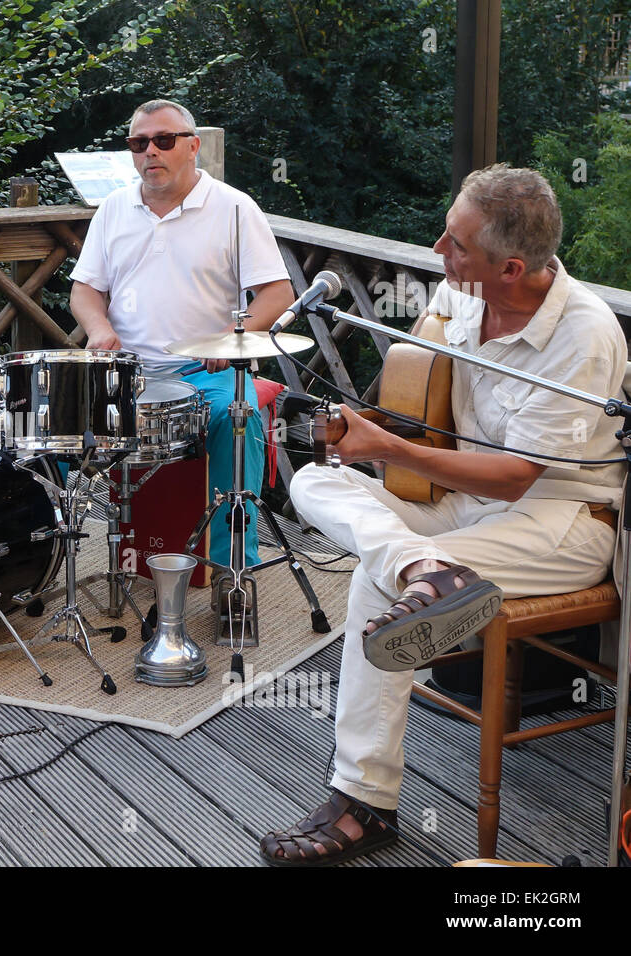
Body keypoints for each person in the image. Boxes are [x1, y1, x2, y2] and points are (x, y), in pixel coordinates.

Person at [260, 165, 624, 865]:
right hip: (464, 507)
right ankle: (421, 565)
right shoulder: (461, 298)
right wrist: (363, 429)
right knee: (315, 483)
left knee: (377, 576)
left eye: (455, 243)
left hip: (561, 521)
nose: (436, 250)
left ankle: (362, 802)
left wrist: (389, 446)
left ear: (510, 267)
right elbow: (420, 405)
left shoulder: (583, 335)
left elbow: (518, 477)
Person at [70, 99, 294, 570]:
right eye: (139, 143)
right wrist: (99, 327)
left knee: (239, 420)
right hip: (125, 374)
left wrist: (230, 341)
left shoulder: (234, 208)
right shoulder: (113, 208)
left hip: (204, 373)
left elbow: (276, 294)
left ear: (193, 146)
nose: (150, 151)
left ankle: (234, 569)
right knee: (39, 420)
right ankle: (55, 558)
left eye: (163, 140)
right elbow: (85, 290)